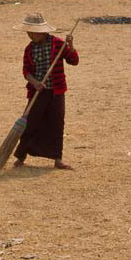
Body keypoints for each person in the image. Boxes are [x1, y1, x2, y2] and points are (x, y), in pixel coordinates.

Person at [12, 13, 79, 170]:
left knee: (57, 123)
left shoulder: (58, 44)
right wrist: (35, 83)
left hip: (56, 92)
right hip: (38, 92)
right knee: (30, 123)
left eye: (33, 32)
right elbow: (26, 71)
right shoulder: (29, 49)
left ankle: (58, 159)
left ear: (41, 32)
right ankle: (21, 156)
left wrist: (70, 46)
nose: (30, 35)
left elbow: (74, 61)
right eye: (28, 32)